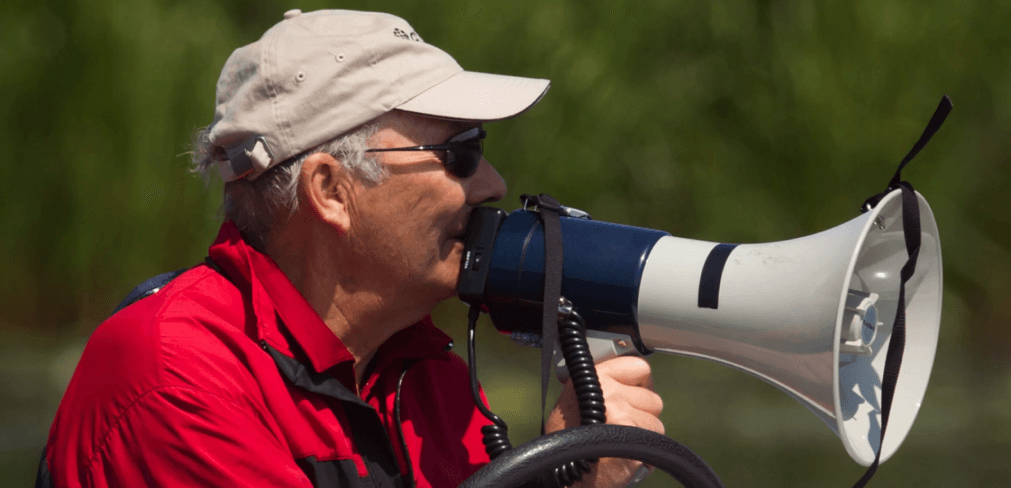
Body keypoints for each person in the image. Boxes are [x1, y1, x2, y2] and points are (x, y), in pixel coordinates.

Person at [39, 9, 664, 488]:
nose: (493, 183)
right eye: (461, 154)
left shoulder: (418, 371)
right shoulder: (175, 378)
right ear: (331, 190)